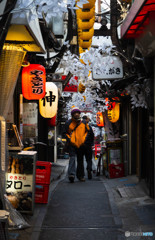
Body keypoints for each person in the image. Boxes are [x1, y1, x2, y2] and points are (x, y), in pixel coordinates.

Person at [63, 107, 90, 183]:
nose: (76, 114)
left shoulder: (84, 122)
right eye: (75, 113)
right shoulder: (68, 123)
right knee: (72, 158)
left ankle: (80, 176)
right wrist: (70, 139)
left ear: (79, 114)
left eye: (78, 113)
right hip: (72, 144)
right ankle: (71, 175)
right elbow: (64, 133)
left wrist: (84, 139)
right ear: (72, 115)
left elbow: (88, 132)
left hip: (81, 144)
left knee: (80, 160)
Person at [82, 115, 94, 179]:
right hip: (88, 145)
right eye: (88, 119)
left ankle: (81, 174)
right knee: (89, 159)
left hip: (81, 145)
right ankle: (89, 169)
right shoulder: (89, 127)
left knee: (80, 159)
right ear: (86, 119)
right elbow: (92, 136)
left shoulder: (79, 126)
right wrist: (92, 144)